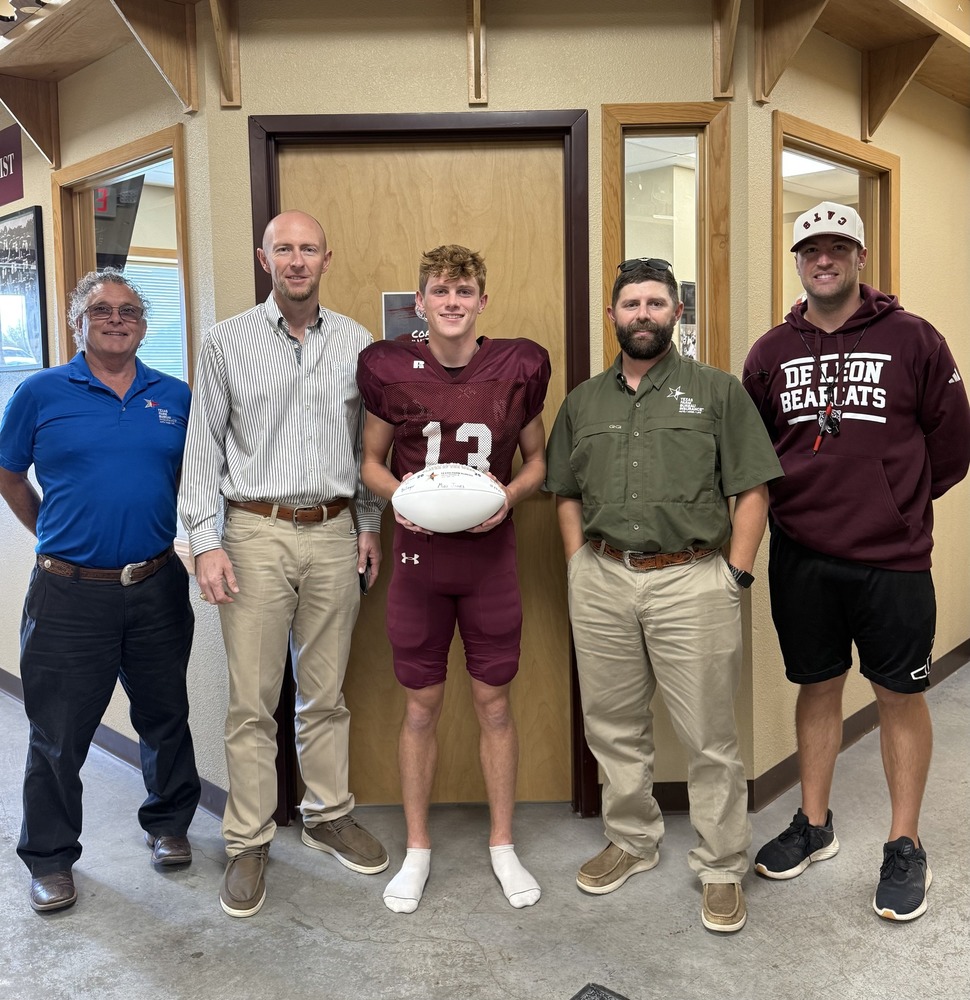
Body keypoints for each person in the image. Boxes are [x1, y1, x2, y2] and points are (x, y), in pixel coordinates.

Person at [744, 202, 970, 921]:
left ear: (861, 257)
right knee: (817, 686)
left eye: (838, 247)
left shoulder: (914, 339)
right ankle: (814, 824)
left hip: (893, 559)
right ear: (799, 261)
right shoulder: (770, 352)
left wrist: (895, 503)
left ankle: (904, 844)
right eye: (811, 249)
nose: (823, 259)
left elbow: (953, 445)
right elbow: (753, 452)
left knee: (899, 695)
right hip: (801, 555)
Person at [545, 257, 782, 933]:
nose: (642, 314)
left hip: (692, 579)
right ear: (612, 316)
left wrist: (732, 575)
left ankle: (720, 865)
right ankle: (633, 838)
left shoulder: (716, 393)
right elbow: (563, 494)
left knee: (709, 736)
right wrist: (578, 569)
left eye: (656, 303)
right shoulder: (584, 402)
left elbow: (753, 491)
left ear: (678, 313)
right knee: (613, 726)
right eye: (631, 304)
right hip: (602, 577)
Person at [179, 210, 387, 918]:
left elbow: (369, 452)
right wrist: (205, 542)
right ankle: (247, 839)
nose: (296, 260)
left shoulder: (359, 344)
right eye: (283, 249)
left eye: (308, 249)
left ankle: (328, 814)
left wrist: (367, 524)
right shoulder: (225, 342)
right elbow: (202, 449)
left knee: (325, 692)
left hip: (332, 532)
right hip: (253, 534)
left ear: (327, 258)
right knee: (252, 701)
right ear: (264, 258)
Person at [0, 269, 200, 913]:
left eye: (131, 310)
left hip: (156, 584)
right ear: (76, 321)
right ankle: (50, 859)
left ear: (144, 324)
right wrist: (55, 535)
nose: (118, 319)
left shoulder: (174, 395)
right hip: (67, 594)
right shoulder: (40, 392)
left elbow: (193, 484)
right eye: (103, 310)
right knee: (58, 732)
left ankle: (169, 825)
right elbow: (8, 475)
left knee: (165, 715)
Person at [357, 244, 550, 913]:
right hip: (417, 563)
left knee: (495, 705)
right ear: (420, 302)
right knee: (420, 708)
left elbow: (537, 464)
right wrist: (399, 501)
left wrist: (508, 498)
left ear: (482, 302)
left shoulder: (516, 366)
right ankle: (417, 849)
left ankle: (502, 844)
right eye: (440, 291)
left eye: (464, 292)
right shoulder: (391, 367)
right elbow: (372, 462)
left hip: (489, 558)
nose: (452, 302)